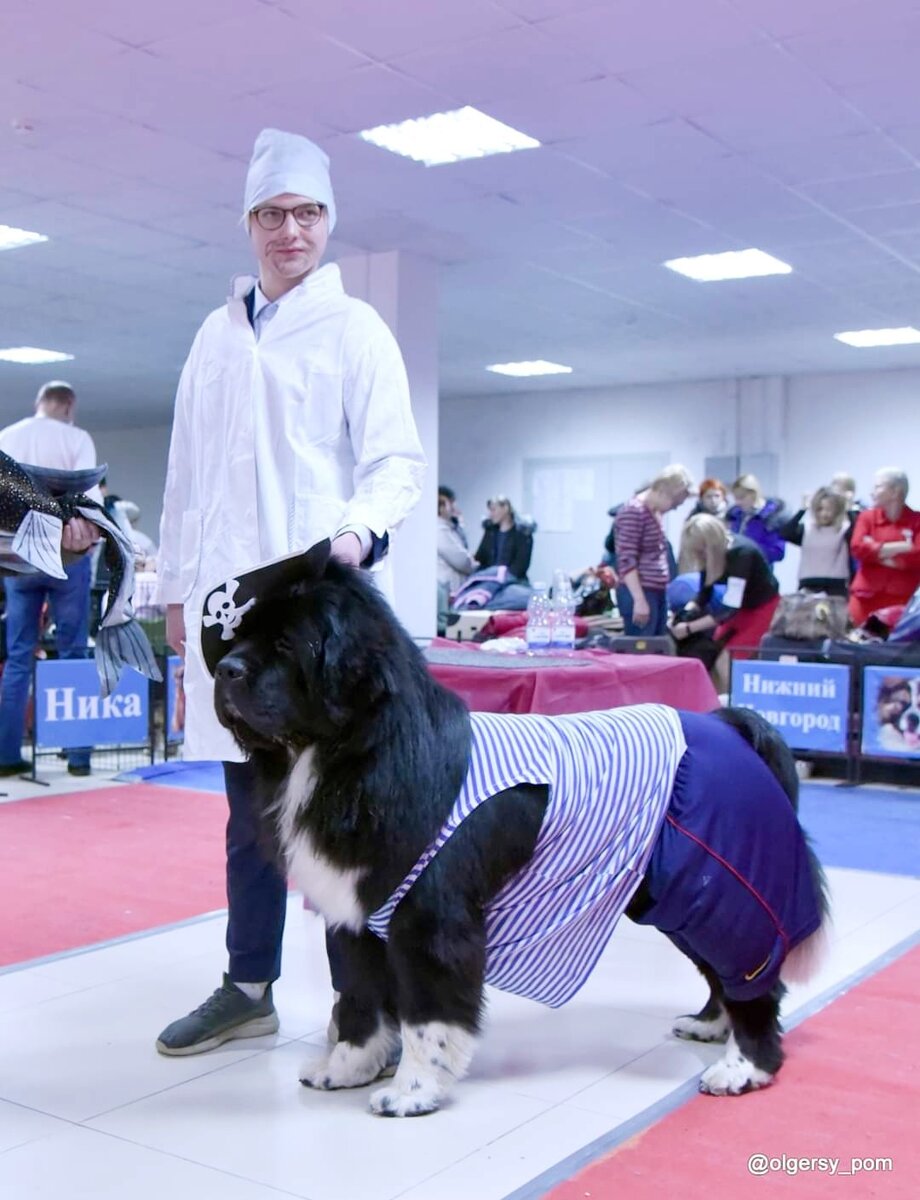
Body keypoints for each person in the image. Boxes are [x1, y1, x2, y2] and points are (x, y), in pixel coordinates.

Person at [154, 128, 425, 1056]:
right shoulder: (212, 336)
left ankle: (372, 1003)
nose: (290, 231)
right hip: (229, 616)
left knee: (342, 812)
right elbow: (184, 478)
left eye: (307, 213)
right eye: (272, 214)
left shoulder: (355, 330)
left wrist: (356, 533)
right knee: (249, 811)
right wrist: (175, 597)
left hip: (312, 622)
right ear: (248, 225)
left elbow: (396, 462)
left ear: (327, 224)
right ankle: (249, 984)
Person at [0, 381, 99, 776]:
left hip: (19, 557)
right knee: (74, 651)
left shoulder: (7, 437)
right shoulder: (77, 438)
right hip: (67, 555)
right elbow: (88, 500)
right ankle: (77, 756)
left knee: (19, 657)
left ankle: (6, 755)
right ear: (68, 406)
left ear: (39, 402)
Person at [672, 514, 780, 692]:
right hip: (740, 608)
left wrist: (690, 628)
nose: (699, 555)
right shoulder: (710, 557)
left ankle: (735, 704)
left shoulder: (742, 554)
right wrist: (684, 614)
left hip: (762, 609)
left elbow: (730, 609)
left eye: (701, 550)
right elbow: (704, 593)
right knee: (713, 655)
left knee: (727, 660)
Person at [614, 464, 695, 636]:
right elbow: (626, 560)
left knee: (658, 648)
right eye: (675, 502)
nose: (675, 507)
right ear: (663, 492)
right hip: (641, 592)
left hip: (657, 591)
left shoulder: (654, 512)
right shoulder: (633, 512)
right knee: (643, 650)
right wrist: (639, 600)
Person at [848, 468, 920, 627]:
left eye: (878, 487)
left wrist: (875, 552)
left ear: (895, 491)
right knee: (857, 645)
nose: (871, 492)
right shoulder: (866, 517)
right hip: (864, 598)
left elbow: (917, 555)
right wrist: (902, 547)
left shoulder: (917, 521)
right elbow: (857, 547)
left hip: (901, 600)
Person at [778, 487, 852, 596]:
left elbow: (857, 534)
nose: (824, 514)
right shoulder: (806, 529)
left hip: (836, 587)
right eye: (820, 509)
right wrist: (802, 510)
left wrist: (849, 509)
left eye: (829, 509)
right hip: (808, 586)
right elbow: (785, 533)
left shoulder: (845, 530)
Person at [725, 473, 787, 566]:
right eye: (735, 498)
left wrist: (747, 551)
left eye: (741, 497)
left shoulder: (772, 516)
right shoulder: (735, 515)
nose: (737, 502)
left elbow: (778, 552)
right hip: (736, 569)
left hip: (759, 571)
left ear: (754, 494)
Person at [437, 486, 475, 629]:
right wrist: (472, 563)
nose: (454, 507)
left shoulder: (448, 528)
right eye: (451, 503)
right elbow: (462, 561)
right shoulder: (440, 530)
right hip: (447, 590)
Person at [474, 496, 533, 581]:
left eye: (493, 510)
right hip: (490, 579)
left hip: (513, 581)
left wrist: (503, 578)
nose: (490, 514)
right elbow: (480, 557)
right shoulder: (490, 531)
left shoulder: (523, 533)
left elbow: (520, 566)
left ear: (505, 508)